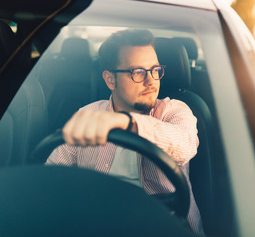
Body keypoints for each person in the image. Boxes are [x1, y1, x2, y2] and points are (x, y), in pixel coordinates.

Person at [46, 29, 203, 235]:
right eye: (138, 72)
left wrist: (126, 122)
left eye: (155, 70)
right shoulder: (88, 114)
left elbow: (186, 144)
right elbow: (52, 176)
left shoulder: (174, 110)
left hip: (163, 225)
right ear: (110, 80)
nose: (151, 81)